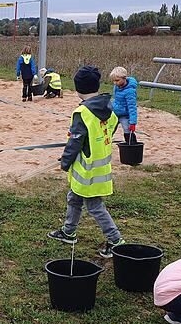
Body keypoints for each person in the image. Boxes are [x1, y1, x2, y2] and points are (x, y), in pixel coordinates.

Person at [47, 66, 125, 258]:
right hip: (97, 165)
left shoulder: (82, 113)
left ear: (78, 89)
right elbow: (109, 131)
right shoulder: (109, 108)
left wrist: (65, 161)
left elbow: (75, 141)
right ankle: (68, 231)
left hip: (89, 170)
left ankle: (116, 241)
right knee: (74, 198)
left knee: (95, 206)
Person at [110, 67, 139, 144]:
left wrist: (133, 123)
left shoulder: (130, 92)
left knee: (127, 130)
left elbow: (132, 107)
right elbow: (116, 99)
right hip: (115, 113)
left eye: (117, 80)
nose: (115, 83)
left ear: (124, 78)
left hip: (125, 115)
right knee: (110, 129)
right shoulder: (116, 87)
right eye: (113, 81)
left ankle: (132, 146)